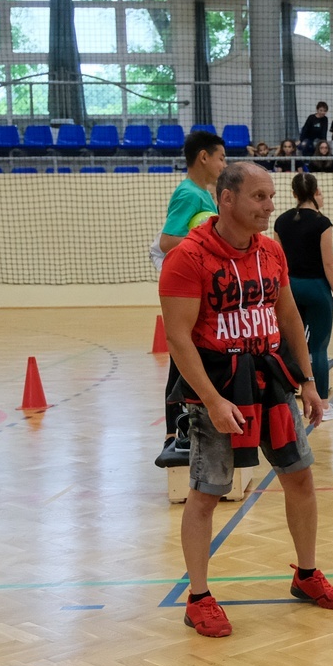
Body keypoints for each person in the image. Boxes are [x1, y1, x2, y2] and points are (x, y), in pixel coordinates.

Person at [159, 161, 333, 638]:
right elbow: (179, 339)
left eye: (271, 196)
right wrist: (211, 401)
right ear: (227, 199)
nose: (269, 206)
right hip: (219, 389)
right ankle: (198, 597)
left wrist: (308, 382)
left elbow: (288, 316)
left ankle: (307, 574)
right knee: (207, 493)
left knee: (300, 477)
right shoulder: (188, 257)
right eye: (259, 197)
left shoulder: (271, 250)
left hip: (271, 381)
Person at [152, 130, 228, 467]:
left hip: (205, 290)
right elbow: (168, 241)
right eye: (221, 158)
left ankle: (192, 426)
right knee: (181, 358)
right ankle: (174, 433)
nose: (223, 165)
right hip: (187, 291)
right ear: (204, 157)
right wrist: (207, 244)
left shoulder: (204, 195)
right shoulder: (188, 194)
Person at [273, 173, 333, 420]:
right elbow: (329, 262)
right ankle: (323, 405)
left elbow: (277, 259)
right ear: (315, 192)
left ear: (294, 194)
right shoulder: (322, 222)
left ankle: (283, 399)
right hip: (316, 288)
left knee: (288, 344)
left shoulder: (281, 221)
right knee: (319, 347)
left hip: (289, 288)